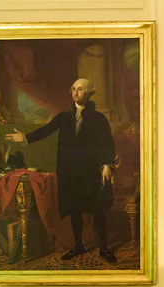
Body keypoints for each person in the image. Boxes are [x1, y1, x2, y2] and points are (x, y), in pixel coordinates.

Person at [6, 78, 117, 264]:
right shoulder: (64, 117)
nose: (75, 92)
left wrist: (107, 165)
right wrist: (25, 137)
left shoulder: (99, 119)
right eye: (73, 89)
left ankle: (104, 247)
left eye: (80, 89)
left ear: (88, 93)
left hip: (92, 172)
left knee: (98, 210)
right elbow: (46, 130)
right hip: (71, 173)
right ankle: (79, 245)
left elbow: (108, 143)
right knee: (74, 210)